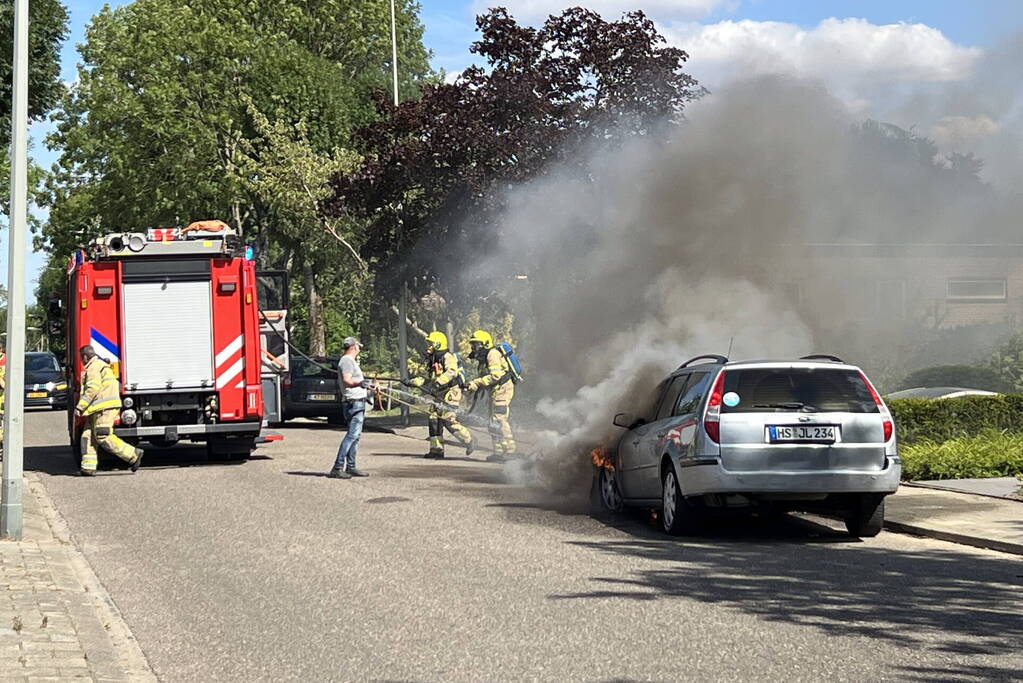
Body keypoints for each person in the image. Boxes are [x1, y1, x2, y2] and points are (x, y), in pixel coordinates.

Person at [76, 345, 142, 475]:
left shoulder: (93, 367)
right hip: (97, 409)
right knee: (88, 436)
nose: (81, 360)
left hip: (104, 408)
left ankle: (133, 455)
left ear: (84, 357)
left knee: (102, 435)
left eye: (81, 358)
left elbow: (92, 389)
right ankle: (88, 468)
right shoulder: (98, 365)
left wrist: (80, 407)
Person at [408, 331, 474, 459]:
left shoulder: (447, 356)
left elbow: (452, 372)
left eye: (430, 343)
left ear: (438, 344)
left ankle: (469, 440)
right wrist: (413, 382)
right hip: (440, 392)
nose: (428, 346)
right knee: (433, 420)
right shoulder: (434, 358)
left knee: (448, 420)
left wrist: (438, 383)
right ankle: (436, 449)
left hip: (451, 392)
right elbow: (430, 378)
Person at [466, 330, 517, 462]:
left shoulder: (492, 354)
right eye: (473, 344)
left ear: (485, 343)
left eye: (476, 344)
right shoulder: (483, 359)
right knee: (492, 421)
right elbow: (485, 378)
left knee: (499, 419)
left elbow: (496, 376)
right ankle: (498, 452)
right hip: (495, 391)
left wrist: (477, 383)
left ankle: (511, 451)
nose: (474, 347)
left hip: (503, 389)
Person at [330, 337, 375, 479]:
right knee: (352, 435)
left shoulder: (349, 361)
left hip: (357, 401)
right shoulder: (347, 361)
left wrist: (368, 385)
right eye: (358, 347)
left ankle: (351, 466)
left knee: (355, 437)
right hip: (353, 402)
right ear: (354, 347)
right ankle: (337, 467)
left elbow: (356, 381)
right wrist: (360, 384)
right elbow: (347, 380)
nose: (360, 349)